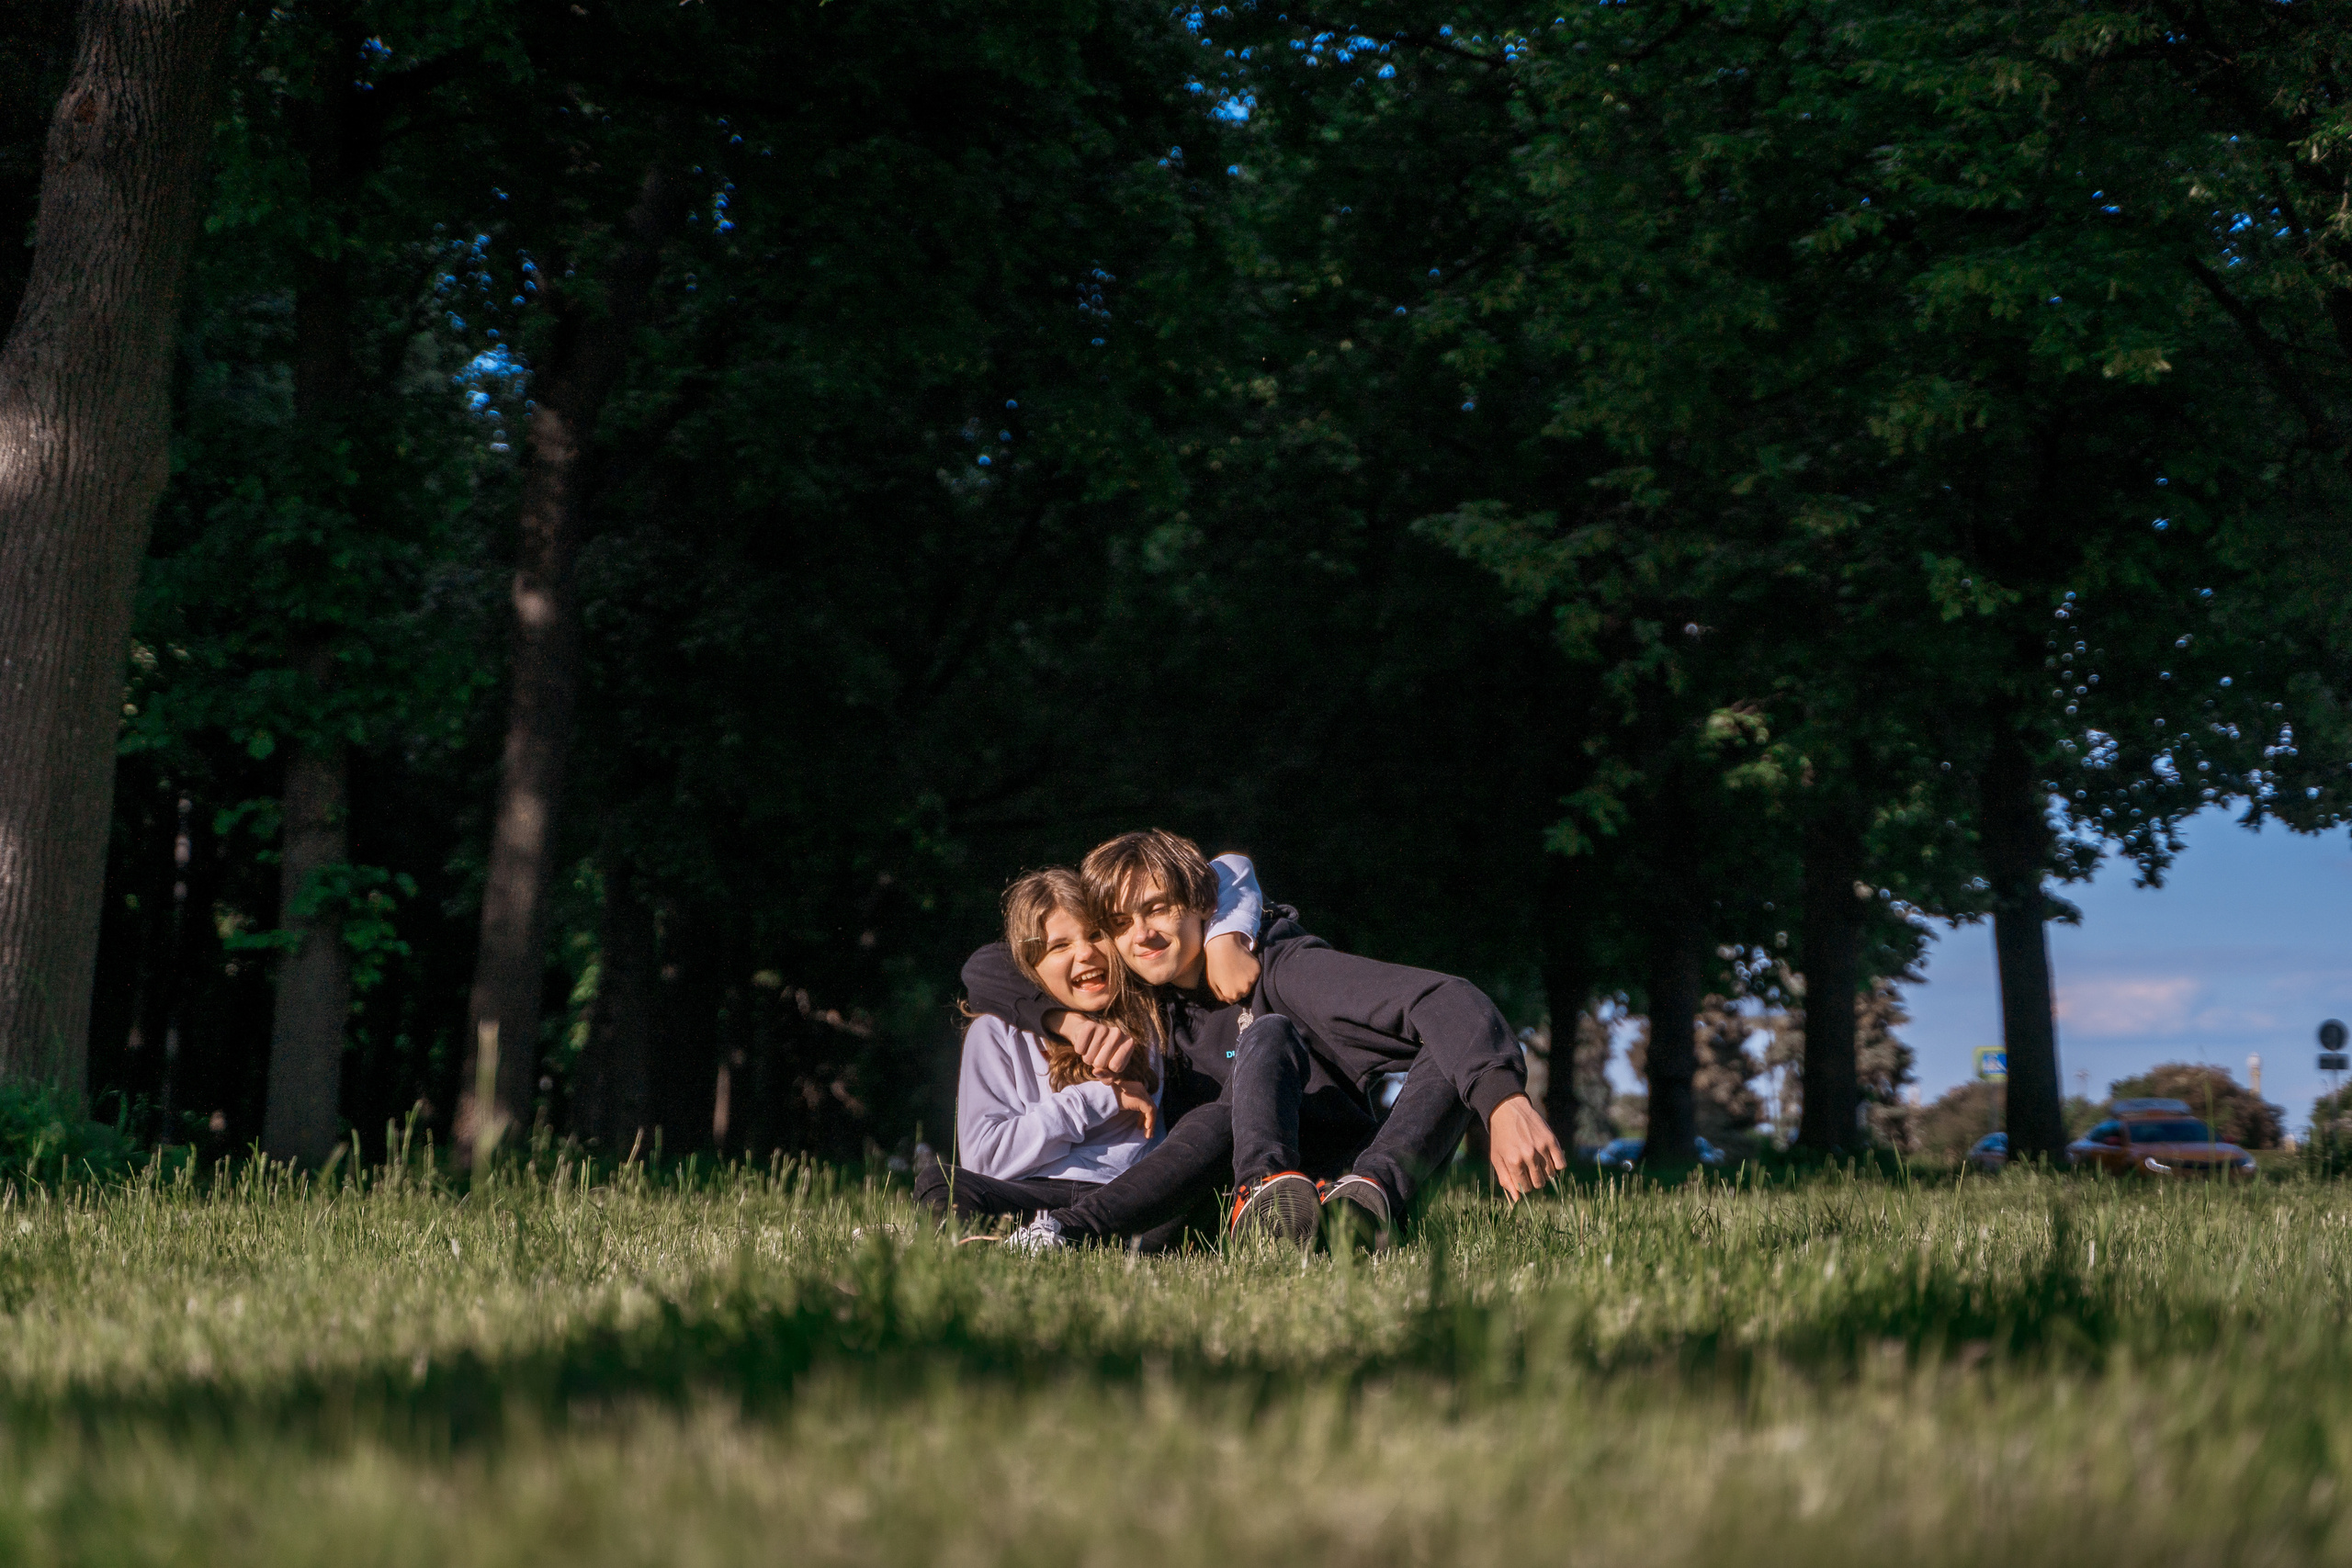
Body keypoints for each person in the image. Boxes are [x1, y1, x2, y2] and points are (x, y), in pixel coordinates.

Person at [962, 829, 1566, 1253]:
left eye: (1158, 909)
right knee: (1216, 1113)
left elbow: (1443, 996)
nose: (1141, 934)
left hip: (1335, 1179)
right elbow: (988, 966)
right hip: (1210, 1204)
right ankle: (1245, 1208)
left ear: (1202, 906)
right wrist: (1067, 1022)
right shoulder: (1146, 998)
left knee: (1285, 1034)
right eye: (1120, 924)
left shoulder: (1283, 969)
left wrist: (1502, 1098)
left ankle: (1366, 1195)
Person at [912, 862, 1261, 1249]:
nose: (1085, 953)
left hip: (1132, 1200)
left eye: (1096, 935)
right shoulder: (995, 1032)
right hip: (1030, 1196)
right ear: (1028, 965)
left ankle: (1057, 1237)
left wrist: (1224, 941)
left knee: (1217, 1128)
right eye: (1059, 946)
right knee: (940, 1182)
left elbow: (1233, 870)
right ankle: (997, 1244)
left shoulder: (1148, 1004)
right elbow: (986, 1160)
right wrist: (1101, 1097)